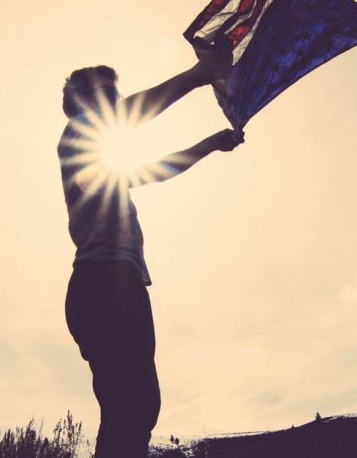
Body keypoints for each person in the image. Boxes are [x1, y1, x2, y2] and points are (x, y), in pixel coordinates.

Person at [58, 53, 241, 458]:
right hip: (105, 283)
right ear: (82, 102)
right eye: (105, 95)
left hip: (108, 284)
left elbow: (154, 170)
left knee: (132, 407)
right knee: (133, 404)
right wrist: (197, 76)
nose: (114, 103)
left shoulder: (104, 170)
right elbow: (136, 113)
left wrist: (209, 144)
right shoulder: (75, 138)